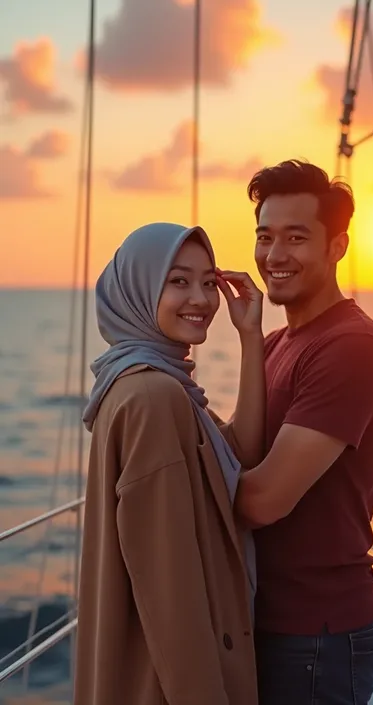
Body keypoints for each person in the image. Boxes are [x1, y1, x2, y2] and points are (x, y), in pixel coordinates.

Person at [73, 222, 265, 705]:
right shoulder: (154, 396)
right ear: (138, 288)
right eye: (178, 281)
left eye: (207, 281)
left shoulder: (149, 382)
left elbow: (237, 454)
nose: (200, 298)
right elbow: (169, 590)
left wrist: (251, 337)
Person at [235, 160, 373, 705]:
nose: (275, 256)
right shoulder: (280, 344)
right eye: (265, 237)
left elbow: (262, 500)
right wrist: (249, 337)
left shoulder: (351, 346)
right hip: (270, 618)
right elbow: (245, 450)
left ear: (337, 246)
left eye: (296, 238)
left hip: (317, 637)